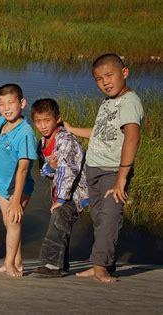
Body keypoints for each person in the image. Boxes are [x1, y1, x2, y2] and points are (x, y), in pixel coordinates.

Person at [64, 53, 143, 283]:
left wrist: (121, 178)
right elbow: (99, 134)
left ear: (124, 73)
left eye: (109, 75)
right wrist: (72, 130)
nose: (105, 82)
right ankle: (102, 263)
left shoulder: (129, 102)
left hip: (113, 171)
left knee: (110, 217)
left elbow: (132, 138)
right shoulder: (107, 102)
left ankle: (100, 266)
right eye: (99, 79)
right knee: (99, 219)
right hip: (94, 168)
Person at [30, 98, 89, 278]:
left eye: (47, 120)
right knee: (61, 223)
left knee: (59, 216)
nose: (43, 126)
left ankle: (51, 265)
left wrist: (60, 199)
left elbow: (68, 169)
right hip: (61, 190)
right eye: (38, 121)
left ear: (57, 119)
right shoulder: (42, 143)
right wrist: (51, 169)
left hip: (78, 191)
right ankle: (61, 265)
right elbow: (45, 171)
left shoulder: (65, 140)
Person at [0, 84, 38, 277]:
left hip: (17, 187)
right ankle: (18, 262)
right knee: (8, 222)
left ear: (22, 103)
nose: (7, 108)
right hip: (2, 184)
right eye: (2, 104)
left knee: (13, 222)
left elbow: (23, 168)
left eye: (11, 103)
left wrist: (16, 199)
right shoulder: (2, 122)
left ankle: (9, 263)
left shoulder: (25, 131)